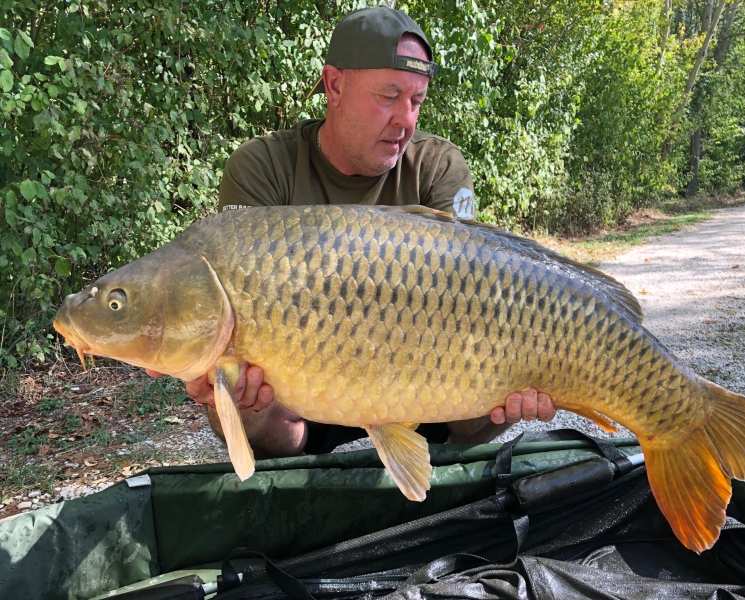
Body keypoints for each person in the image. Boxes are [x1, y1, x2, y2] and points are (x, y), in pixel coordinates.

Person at [148, 6, 557, 458]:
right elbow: (233, 296)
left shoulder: (438, 166)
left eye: (416, 101)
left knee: (495, 393)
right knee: (240, 391)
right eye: (389, 96)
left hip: (424, 383)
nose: (406, 119)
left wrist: (520, 371)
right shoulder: (263, 167)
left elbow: (473, 293)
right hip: (305, 397)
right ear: (335, 85)